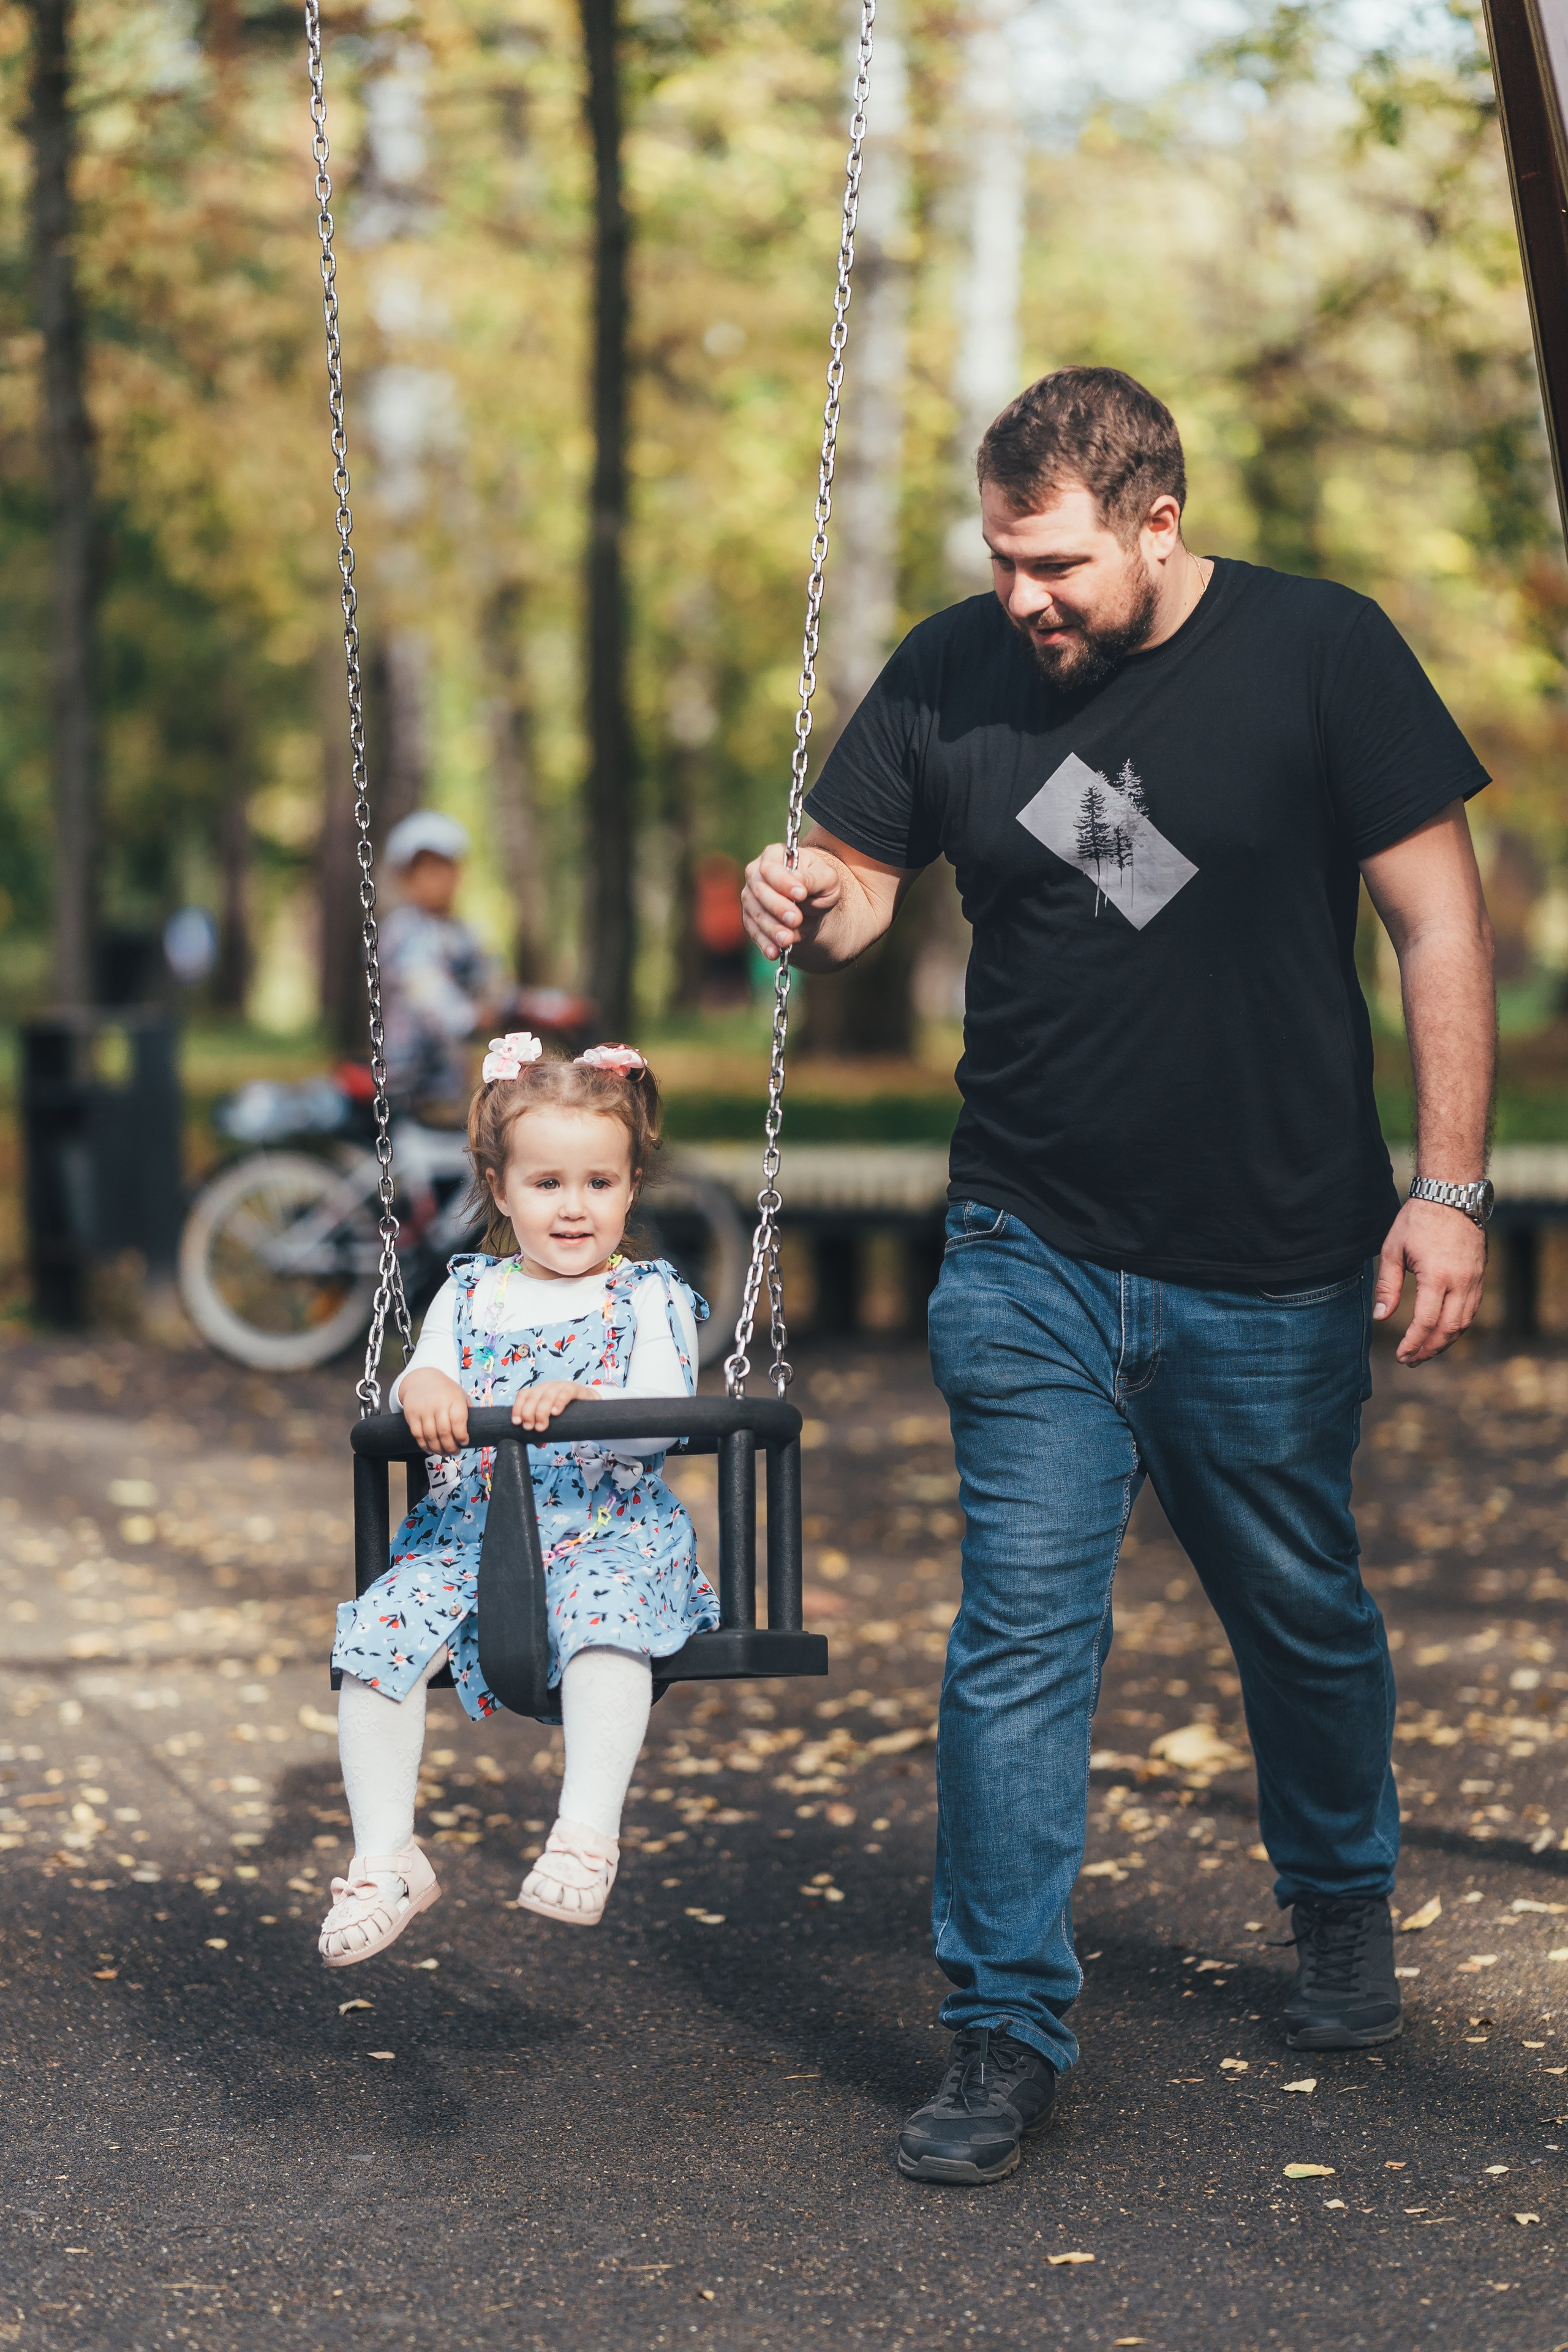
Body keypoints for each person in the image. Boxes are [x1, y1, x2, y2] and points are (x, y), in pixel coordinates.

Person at [742, 367, 1496, 2185]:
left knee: (1300, 1609)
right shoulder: (950, 666)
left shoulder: (1322, 653)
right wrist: (807, 898)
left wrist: (1448, 1188)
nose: (1027, 599)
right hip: (1030, 1243)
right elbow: (856, 878)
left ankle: (1336, 1890)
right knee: (1017, 1637)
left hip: (1271, 1251)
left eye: (1058, 564)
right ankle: (999, 2024)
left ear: (1157, 521)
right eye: (1004, 561)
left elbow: (1435, 919)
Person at [319, 1035, 719, 1964]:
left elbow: (667, 1414)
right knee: (377, 1631)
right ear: (500, 1190)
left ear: (630, 1187)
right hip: (469, 1538)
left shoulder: (648, 1297)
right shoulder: (468, 1296)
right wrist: (423, 1391)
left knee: (606, 1617)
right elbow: (420, 1380)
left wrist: (589, 1400)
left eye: (599, 1183)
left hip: (606, 1531)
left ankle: (586, 1832)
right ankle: (386, 1858)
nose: (574, 1206)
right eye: (547, 1184)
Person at [379, 810, 499, 1121]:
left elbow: (493, 986)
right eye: (426, 870)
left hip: (453, 1079)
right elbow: (426, 990)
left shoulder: (466, 934)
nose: (438, 880)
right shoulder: (402, 931)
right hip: (410, 1077)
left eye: (444, 868)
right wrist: (470, 1016)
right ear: (406, 879)